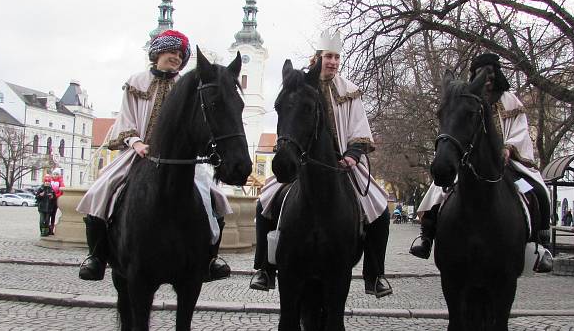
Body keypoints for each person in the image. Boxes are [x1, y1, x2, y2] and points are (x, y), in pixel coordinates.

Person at [76, 29, 232, 282]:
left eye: (181, 55)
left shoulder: (186, 86)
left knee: (216, 199)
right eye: (172, 52)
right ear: (157, 53)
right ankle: (96, 257)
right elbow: (125, 116)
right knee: (100, 191)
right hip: (139, 153)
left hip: (178, 158)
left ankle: (210, 259)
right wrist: (135, 142)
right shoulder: (136, 81)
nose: (177, 58)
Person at [250, 29, 393, 298]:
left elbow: (359, 129)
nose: (333, 62)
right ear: (318, 57)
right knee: (265, 202)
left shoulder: (350, 91)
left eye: (337, 57)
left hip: (344, 163)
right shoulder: (303, 83)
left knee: (380, 209)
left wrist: (351, 155)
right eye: (329, 56)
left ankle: (375, 275)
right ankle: (264, 268)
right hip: (301, 161)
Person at [409, 53, 552, 272]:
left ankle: (540, 245)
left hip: (507, 163)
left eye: (491, 73)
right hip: (471, 161)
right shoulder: (467, 97)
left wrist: (509, 148)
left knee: (536, 191)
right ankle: (426, 239)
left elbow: (520, 128)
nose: (487, 79)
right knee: (437, 192)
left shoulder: (509, 100)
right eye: (481, 73)